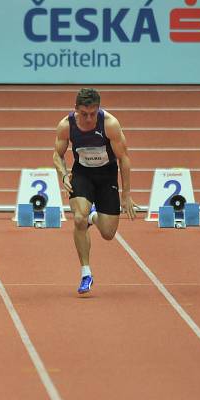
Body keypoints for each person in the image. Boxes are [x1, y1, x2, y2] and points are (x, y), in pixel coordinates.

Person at [53, 88, 136, 295]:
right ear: (75, 110)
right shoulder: (66, 126)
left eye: (93, 113)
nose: (89, 118)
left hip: (107, 176)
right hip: (82, 174)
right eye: (84, 114)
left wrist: (126, 194)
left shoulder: (110, 124)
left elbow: (124, 158)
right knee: (78, 219)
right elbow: (57, 155)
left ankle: (94, 216)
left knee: (108, 233)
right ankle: (86, 273)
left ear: (98, 109)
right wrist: (63, 175)